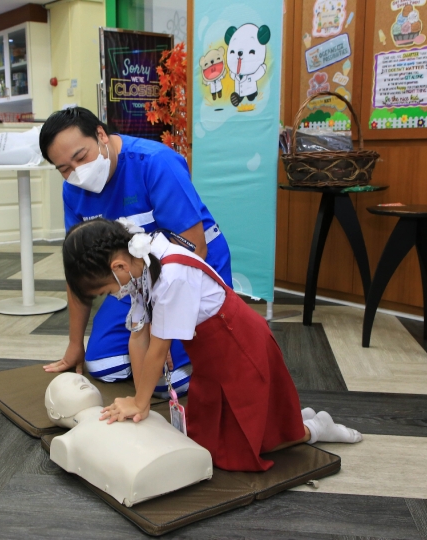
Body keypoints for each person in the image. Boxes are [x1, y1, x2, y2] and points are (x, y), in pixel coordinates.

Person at [62, 219, 362, 472]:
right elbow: (139, 336)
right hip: (211, 355)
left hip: (240, 345)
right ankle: (292, 421)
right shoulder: (138, 264)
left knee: (238, 453)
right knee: (204, 436)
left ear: (118, 266)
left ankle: (316, 429)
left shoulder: (171, 273)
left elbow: (157, 347)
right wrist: (143, 410)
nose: (112, 295)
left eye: (105, 290)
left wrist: (140, 402)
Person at [40, 107, 232, 398]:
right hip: (133, 280)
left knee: (166, 381)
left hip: (189, 274)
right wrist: (74, 343)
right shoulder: (73, 191)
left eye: (80, 157)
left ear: (101, 135)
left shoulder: (155, 163)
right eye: (64, 169)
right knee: (102, 365)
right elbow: (80, 270)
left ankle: (202, 360)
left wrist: (156, 328)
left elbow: (195, 248)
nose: (77, 173)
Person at [45, 372, 213, 506]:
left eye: (84, 380)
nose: (82, 382)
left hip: (192, 456)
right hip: (143, 476)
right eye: (68, 384)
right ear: (54, 412)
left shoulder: (147, 413)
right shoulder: (68, 441)